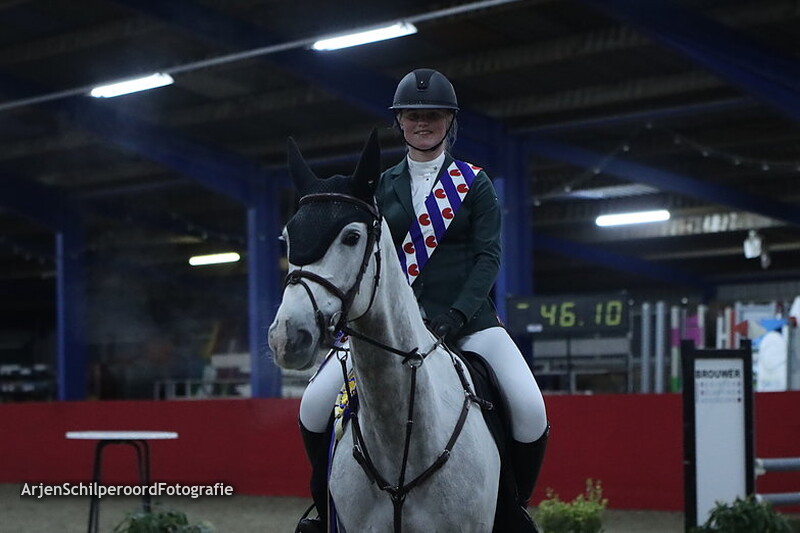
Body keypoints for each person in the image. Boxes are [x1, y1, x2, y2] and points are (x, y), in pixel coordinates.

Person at [295, 68, 549, 533]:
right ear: (400, 123)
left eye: (432, 115)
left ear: (450, 121)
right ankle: (323, 512)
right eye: (413, 116)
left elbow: (488, 258)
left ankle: (511, 509)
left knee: (531, 409)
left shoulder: (474, 184)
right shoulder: (380, 186)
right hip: (389, 328)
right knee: (312, 405)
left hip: (470, 323)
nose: (422, 123)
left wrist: (457, 314)